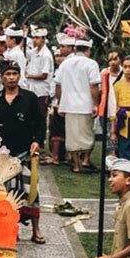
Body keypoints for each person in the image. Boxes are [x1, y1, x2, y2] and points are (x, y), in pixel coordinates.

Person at [0, 63, 46, 244]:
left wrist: (37, 141)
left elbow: (40, 122)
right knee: (7, 194)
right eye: (8, 74)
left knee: (32, 193)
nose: (11, 77)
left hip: (25, 153)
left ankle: (36, 231)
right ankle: (12, 230)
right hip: (3, 155)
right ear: (2, 77)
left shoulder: (29, 98)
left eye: (15, 73)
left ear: (19, 76)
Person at [54, 39, 101, 174]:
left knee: (72, 136)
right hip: (85, 105)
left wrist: (60, 102)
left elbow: (58, 85)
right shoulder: (91, 64)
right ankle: (84, 159)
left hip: (69, 105)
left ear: (75, 49)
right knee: (87, 134)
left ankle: (77, 164)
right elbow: (94, 86)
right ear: (88, 50)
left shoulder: (65, 64)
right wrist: (96, 104)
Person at [24, 29, 54, 140]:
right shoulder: (34, 51)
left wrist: (28, 75)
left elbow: (44, 75)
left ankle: (40, 142)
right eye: (34, 37)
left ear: (43, 39)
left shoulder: (46, 55)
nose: (34, 40)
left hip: (41, 90)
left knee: (41, 117)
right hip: (32, 89)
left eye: (37, 38)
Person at [99, 48, 124, 156]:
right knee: (109, 138)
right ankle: (112, 164)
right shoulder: (104, 73)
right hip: (106, 110)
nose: (113, 62)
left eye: (115, 59)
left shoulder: (125, 73)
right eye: (110, 59)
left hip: (120, 111)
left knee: (119, 137)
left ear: (120, 60)